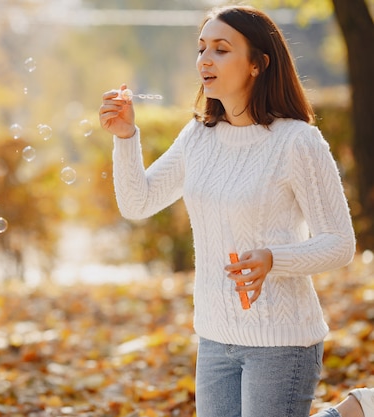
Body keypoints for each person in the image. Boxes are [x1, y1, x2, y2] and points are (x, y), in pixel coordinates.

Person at [99, 4, 362, 417]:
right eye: (202, 48)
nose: (205, 59)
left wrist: (274, 259)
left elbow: (340, 244)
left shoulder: (297, 142)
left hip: (282, 341)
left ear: (258, 63)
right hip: (214, 337)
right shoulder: (198, 137)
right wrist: (126, 137)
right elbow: (139, 203)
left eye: (221, 49)